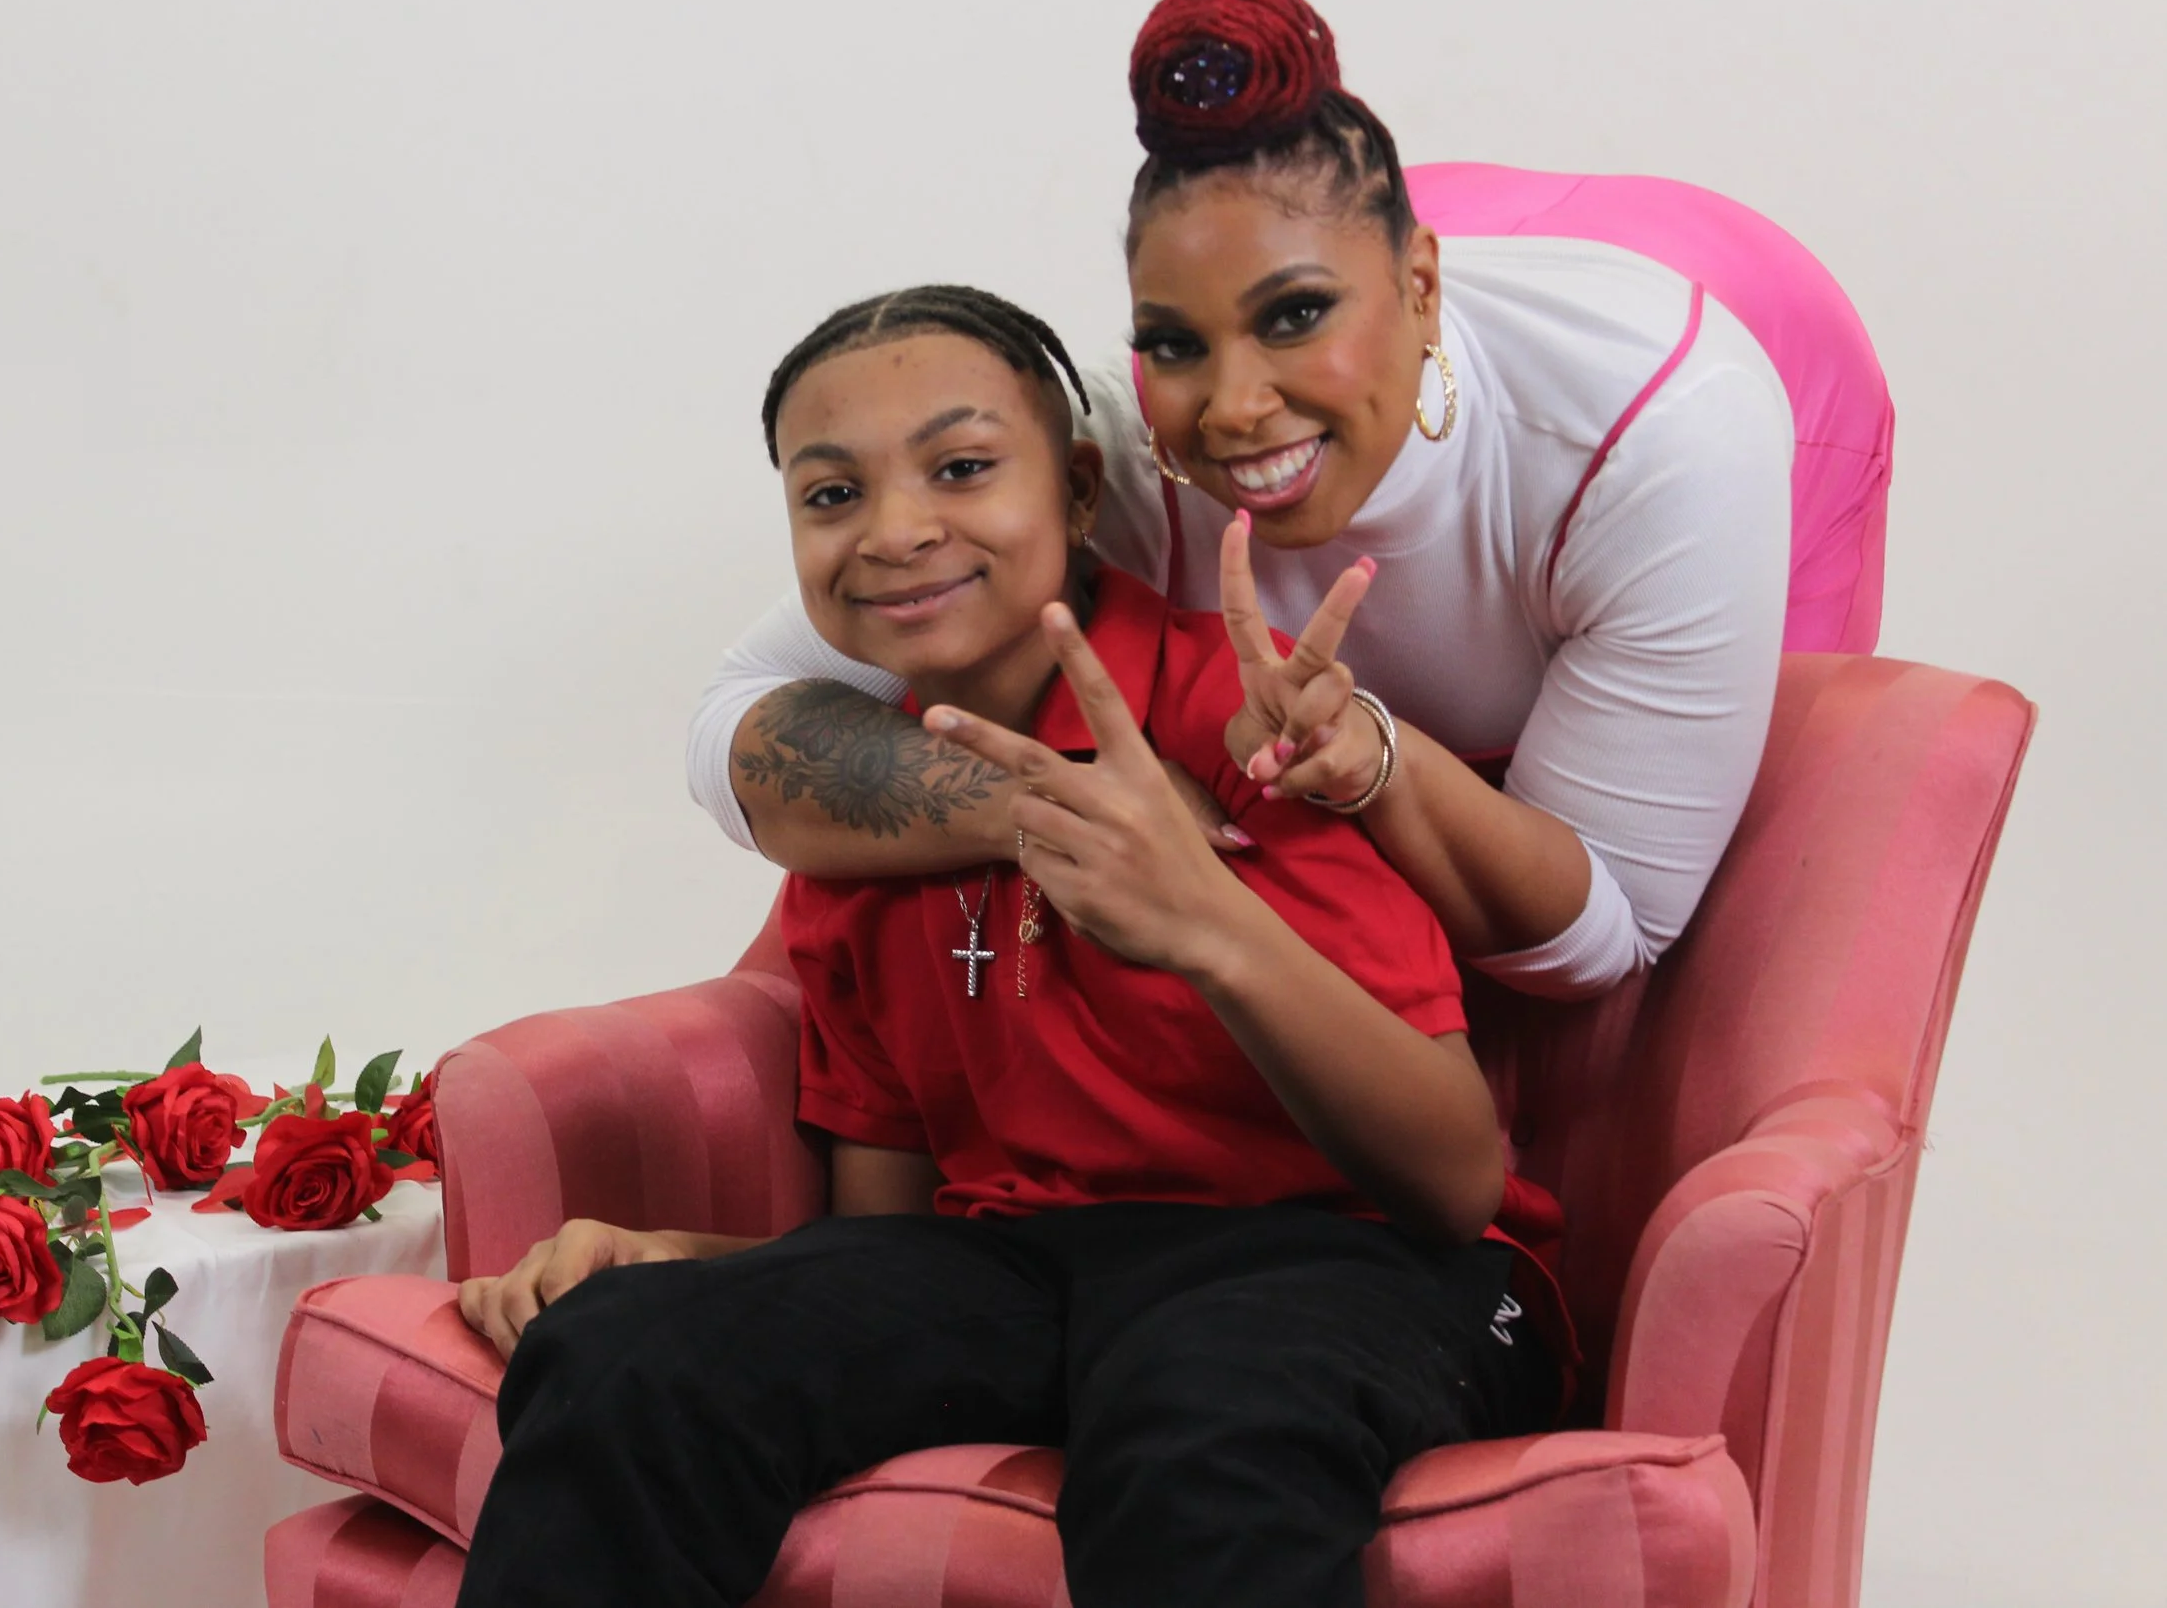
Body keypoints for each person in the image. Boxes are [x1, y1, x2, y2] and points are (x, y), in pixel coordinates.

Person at [453, 286, 1570, 1608]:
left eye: (964, 466)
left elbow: (1453, 1177)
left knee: (1203, 1415)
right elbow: (895, 1249)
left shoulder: (1245, 712)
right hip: (1032, 1270)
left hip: (1359, 1261)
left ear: (1083, 488)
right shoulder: (860, 811)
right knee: (623, 1350)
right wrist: (679, 1263)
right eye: (829, 495)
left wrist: (1212, 926)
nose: (897, 529)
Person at [688, 0, 1885, 1000]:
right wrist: (1073, 802)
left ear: (1421, 286)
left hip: (1732, 362)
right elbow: (732, 718)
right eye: (1175, 342)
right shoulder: (1111, 444)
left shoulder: (1668, 435)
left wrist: (1374, 758)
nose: (1231, 408)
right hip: (1360, 284)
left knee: (1724, 956)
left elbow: (1614, 931)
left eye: (1293, 318)